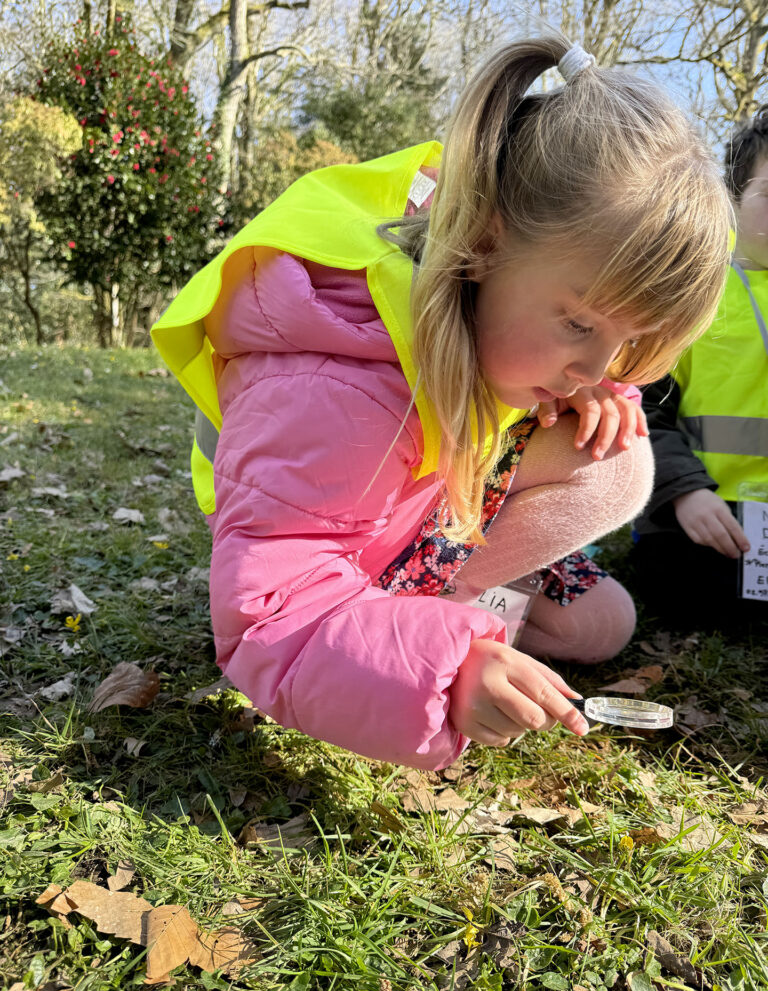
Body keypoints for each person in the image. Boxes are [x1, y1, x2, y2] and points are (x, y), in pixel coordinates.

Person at [152, 35, 731, 769]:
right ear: (485, 242)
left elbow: (581, 356)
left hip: (409, 508)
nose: (596, 366)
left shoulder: (506, 312)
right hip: (316, 546)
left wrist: (606, 386)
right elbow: (269, 621)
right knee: (551, 595)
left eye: (631, 341)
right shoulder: (333, 390)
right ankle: (416, 614)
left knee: (602, 620)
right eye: (581, 324)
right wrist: (445, 670)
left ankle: (441, 596)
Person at [633, 105, 768, 628]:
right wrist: (685, 492)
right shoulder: (691, 291)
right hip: (694, 518)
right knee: (688, 594)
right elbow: (642, 409)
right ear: (733, 198)